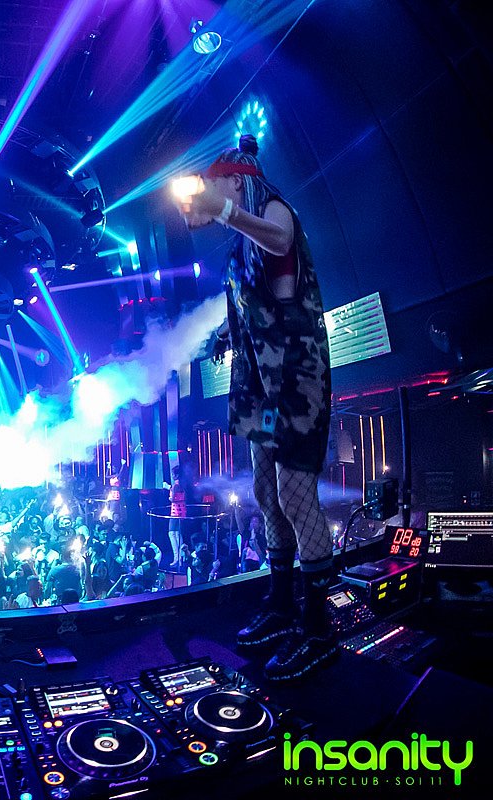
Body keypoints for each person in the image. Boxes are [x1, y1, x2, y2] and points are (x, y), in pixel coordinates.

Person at [177, 134, 335, 681]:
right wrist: (227, 334)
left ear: (235, 180)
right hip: (263, 386)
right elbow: (255, 298)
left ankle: (319, 629)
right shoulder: (239, 242)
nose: (209, 191)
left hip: (294, 378)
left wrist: (222, 211)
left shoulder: (271, 207)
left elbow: (282, 239)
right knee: (267, 492)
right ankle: (281, 603)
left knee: (295, 494)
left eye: (215, 184)